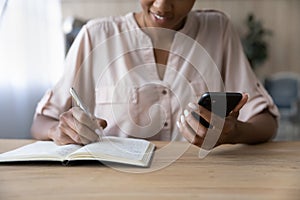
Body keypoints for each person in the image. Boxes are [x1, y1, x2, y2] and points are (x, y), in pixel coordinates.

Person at [31, 0, 279, 149]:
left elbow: (266, 120)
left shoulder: (219, 30)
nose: (161, 5)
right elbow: (42, 122)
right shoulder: (95, 36)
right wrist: (58, 130)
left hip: (201, 184)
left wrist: (234, 133)